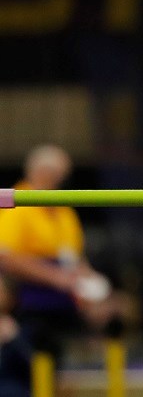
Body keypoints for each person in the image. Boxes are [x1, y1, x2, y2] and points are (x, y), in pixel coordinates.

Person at [0, 145, 116, 355]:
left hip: (66, 302)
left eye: (62, 176)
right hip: (29, 303)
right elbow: (6, 257)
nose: (59, 181)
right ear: (39, 172)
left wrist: (91, 283)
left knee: (113, 311)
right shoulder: (18, 203)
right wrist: (55, 277)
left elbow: (75, 258)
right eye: (55, 174)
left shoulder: (64, 210)